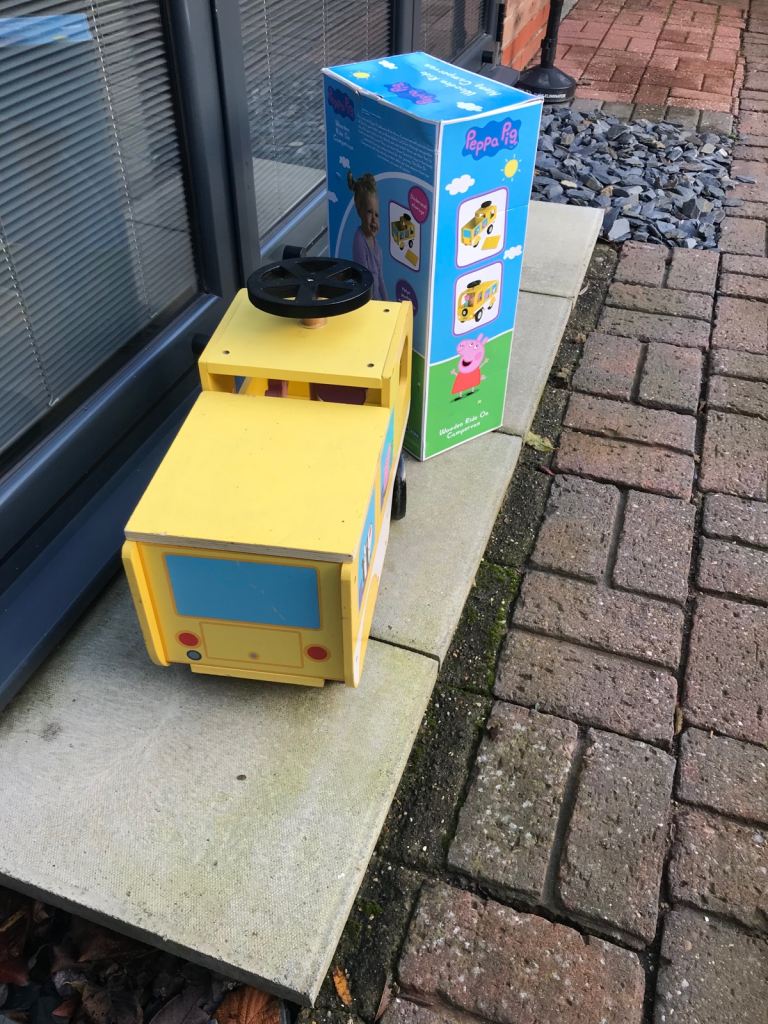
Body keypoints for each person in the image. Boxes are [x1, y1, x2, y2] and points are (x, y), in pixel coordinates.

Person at [347, 171, 388, 300]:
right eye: (369, 212)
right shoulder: (359, 240)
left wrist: (388, 303)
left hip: (377, 301)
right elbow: (364, 280)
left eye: (377, 215)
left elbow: (380, 279)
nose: (374, 219)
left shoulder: (377, 248)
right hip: (367, 301)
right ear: (359, 211)